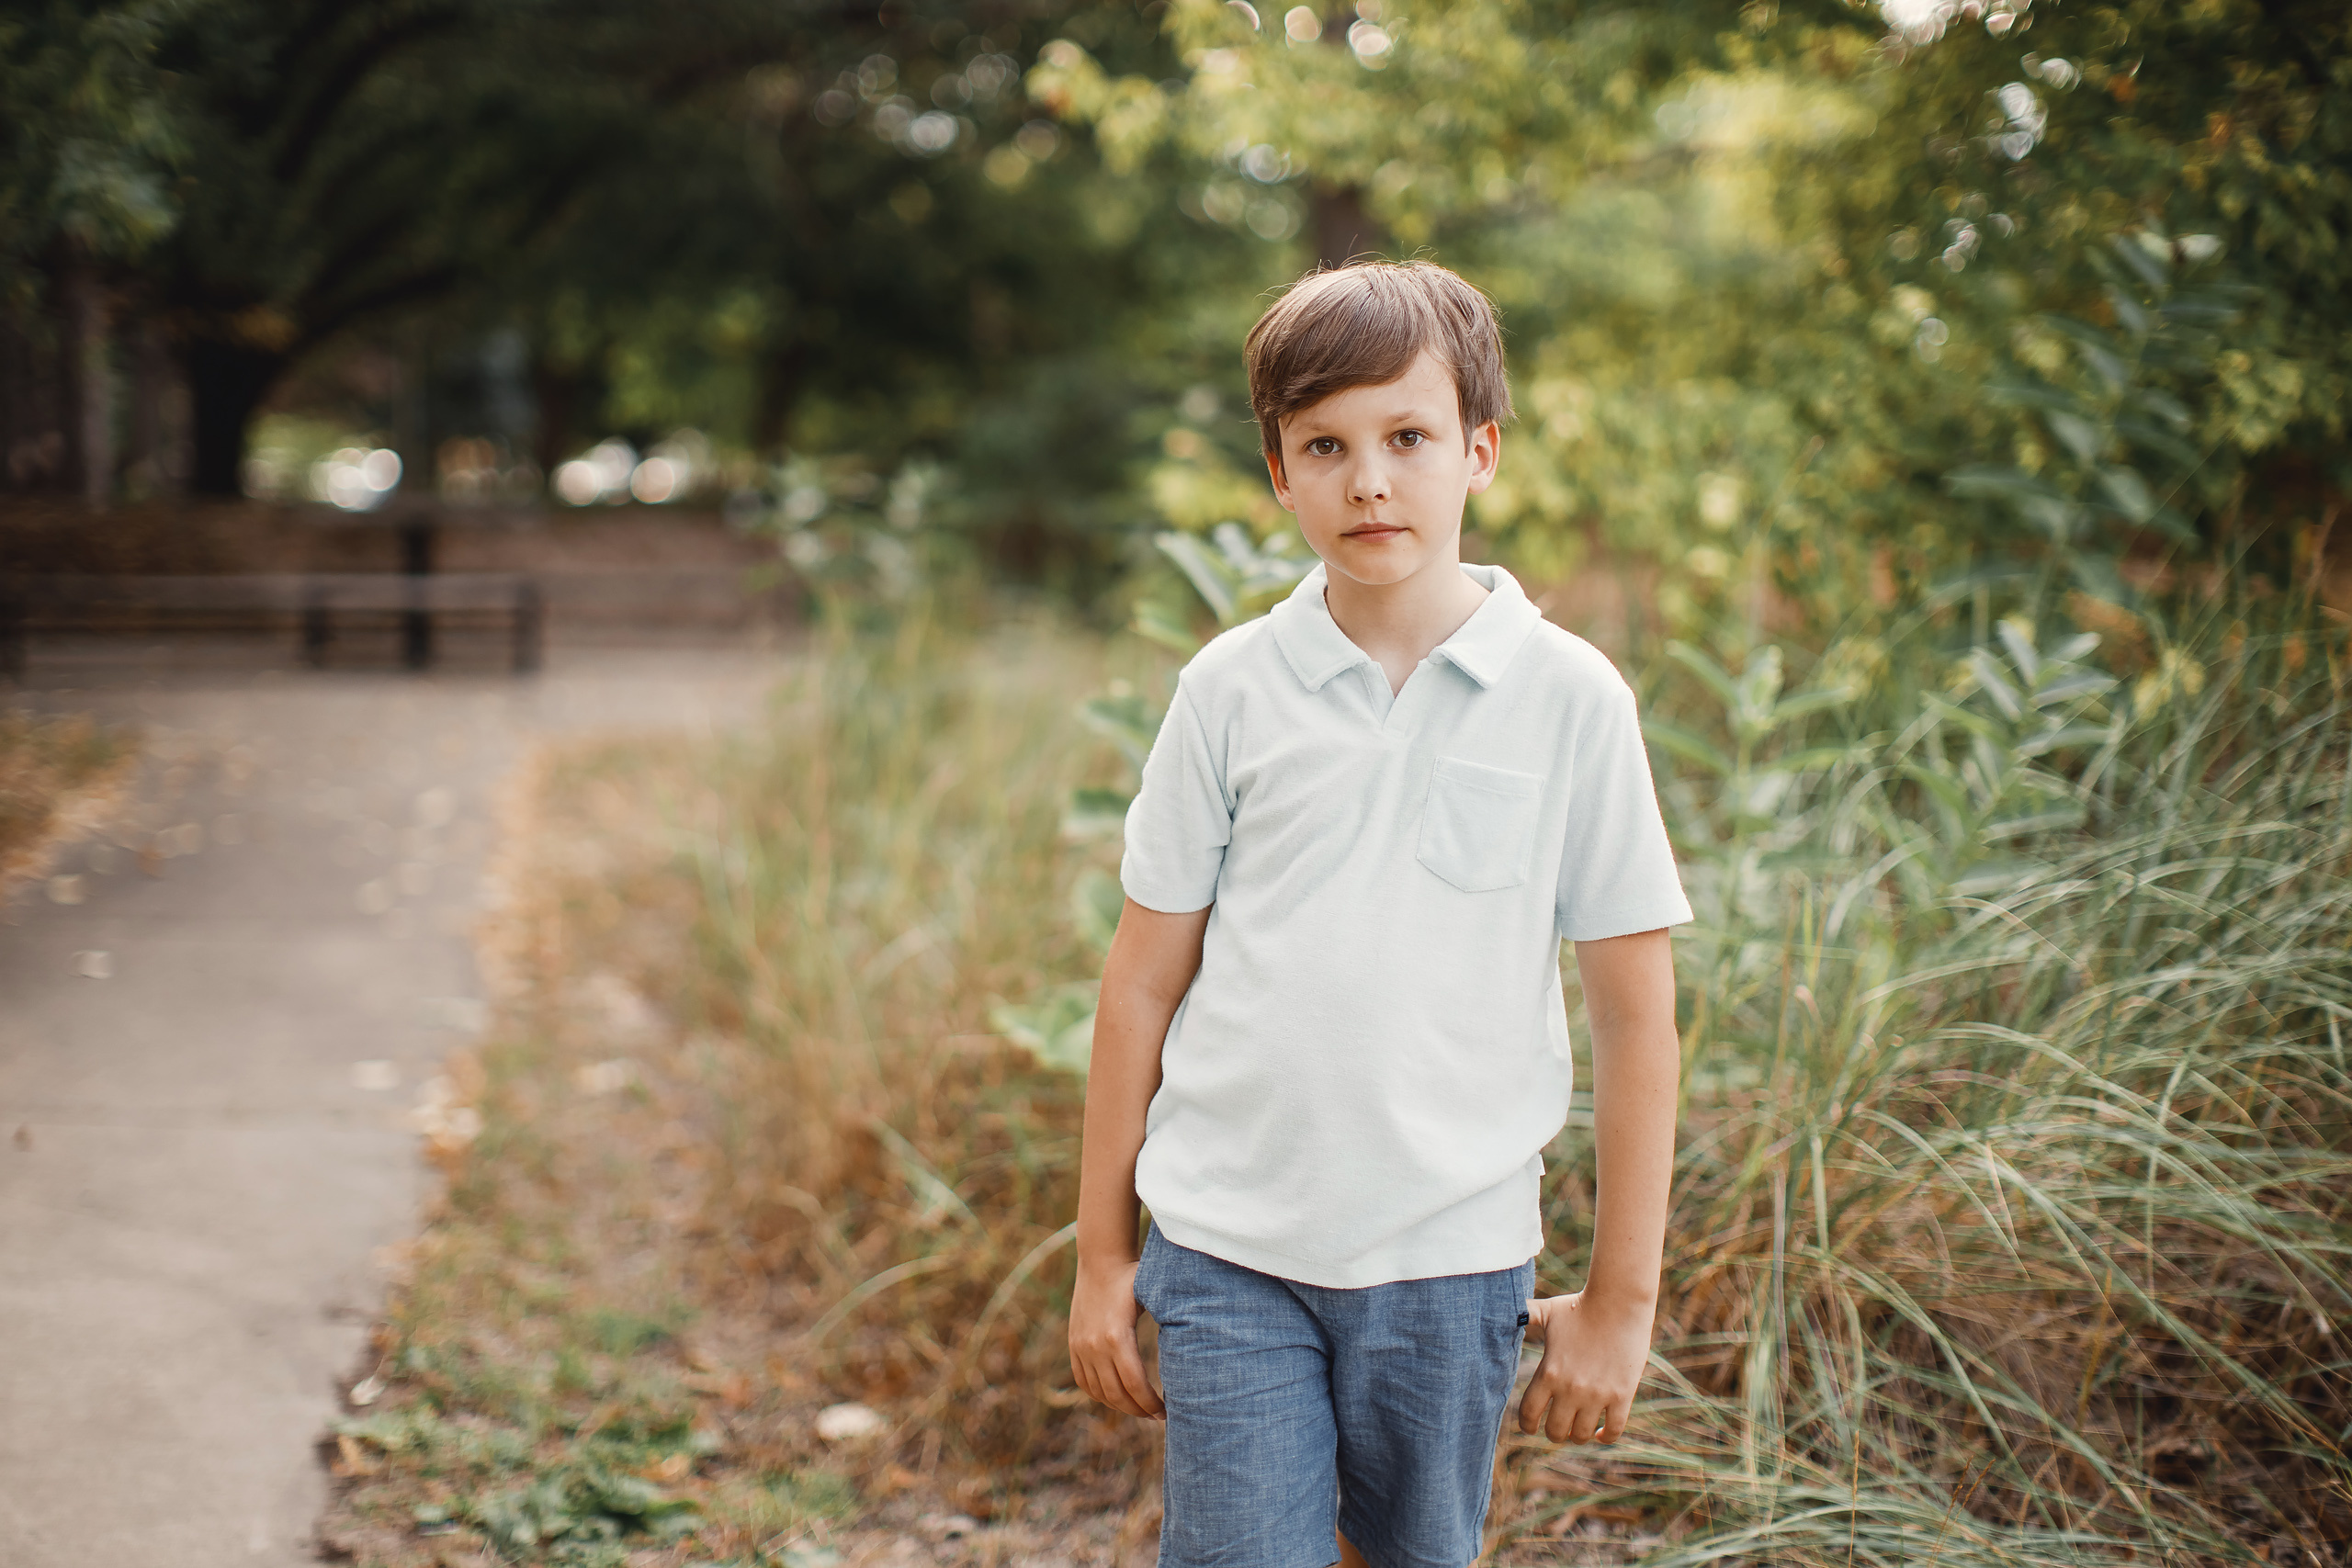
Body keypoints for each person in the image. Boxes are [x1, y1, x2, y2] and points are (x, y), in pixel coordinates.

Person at [1067, 260, 1690, 1568]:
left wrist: (1623, 1303)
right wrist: (1099, 1262)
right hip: (1233, 1245)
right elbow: (1138, 986)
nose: (1368, 480)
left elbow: (1638, 1024)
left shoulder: (1570, 698)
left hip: (1451, 1264)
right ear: (1278, 476)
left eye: (1407, 438)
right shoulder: (1231, 690)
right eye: (1325, 445)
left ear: (1480, 450)